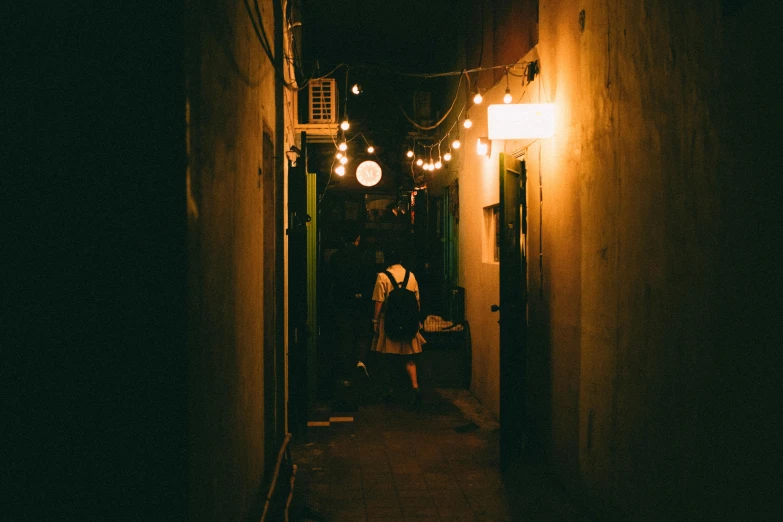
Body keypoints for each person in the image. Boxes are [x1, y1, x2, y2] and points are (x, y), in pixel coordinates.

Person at [370, 247, 426, 406]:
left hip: (389, 322)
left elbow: (379, 301)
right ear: (401, 259)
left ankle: (388, 391)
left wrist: (375, 321)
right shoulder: (411, 276)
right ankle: (415, 389)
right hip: (408, 322)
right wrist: (417, 320)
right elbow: (417, 301)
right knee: (409, 357)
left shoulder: (382, 276)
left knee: (387, 357)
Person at [328, 223, 371, 409]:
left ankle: (344, 375)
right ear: (358, 239)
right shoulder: (364, 257)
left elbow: (330, 282)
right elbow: (370, 281)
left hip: (341, 305)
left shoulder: (335, 258)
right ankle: (361, 362)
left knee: (344, 338)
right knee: (361, 335)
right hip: (360, 305)